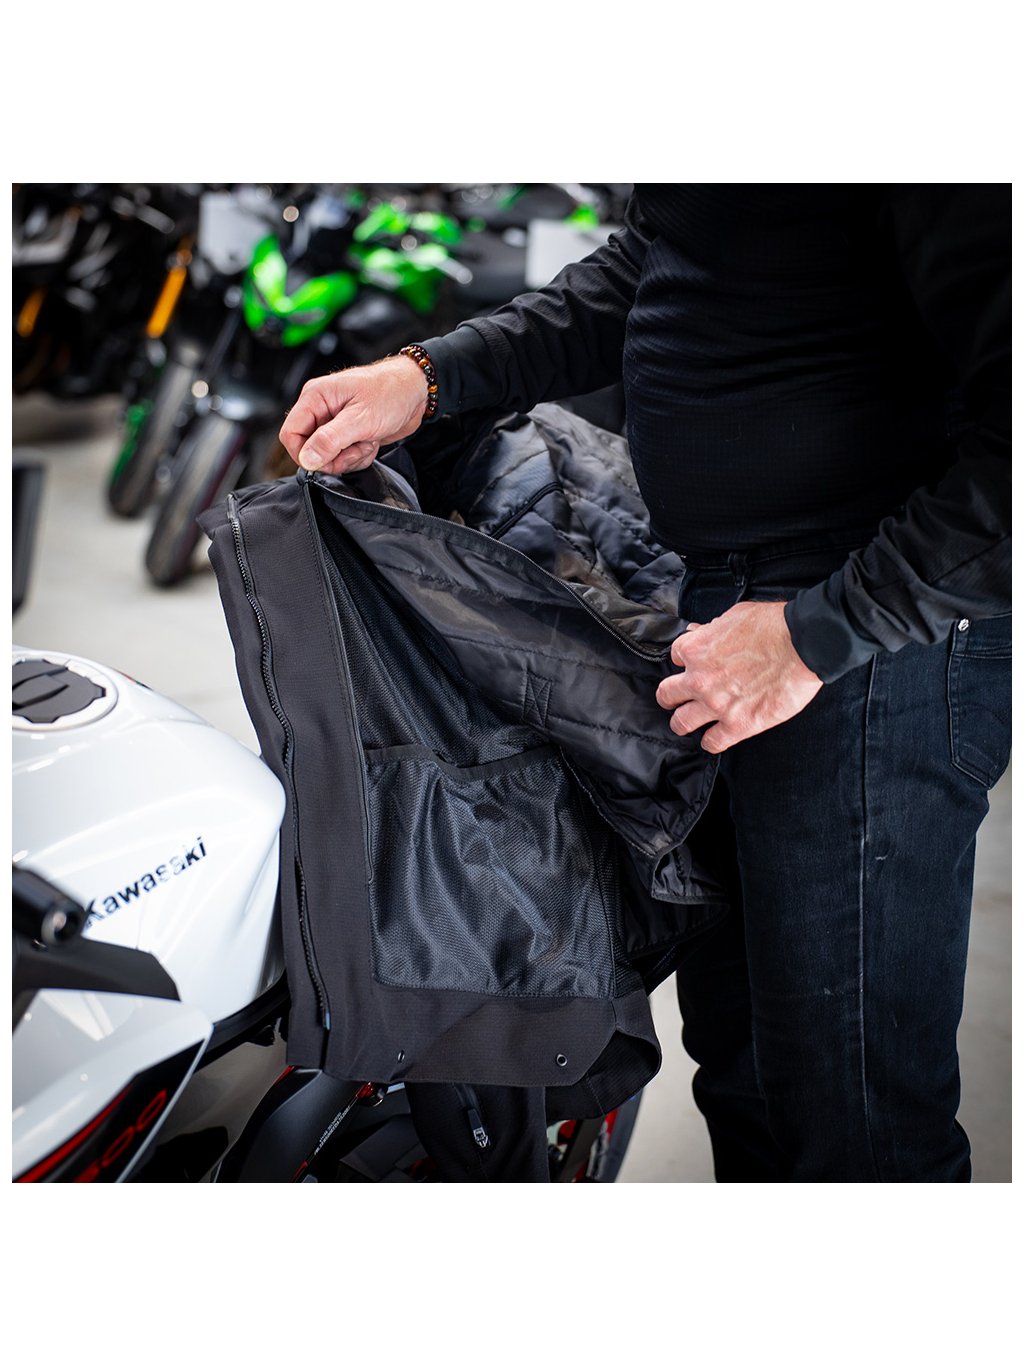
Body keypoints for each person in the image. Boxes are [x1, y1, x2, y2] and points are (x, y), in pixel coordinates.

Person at [278, 185, 1010, 1182]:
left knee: (852, 1120)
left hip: (857, 647)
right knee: (748, 1074)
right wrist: (428, 376)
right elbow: (663, 265)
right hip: (726, 613)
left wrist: (823, 631)